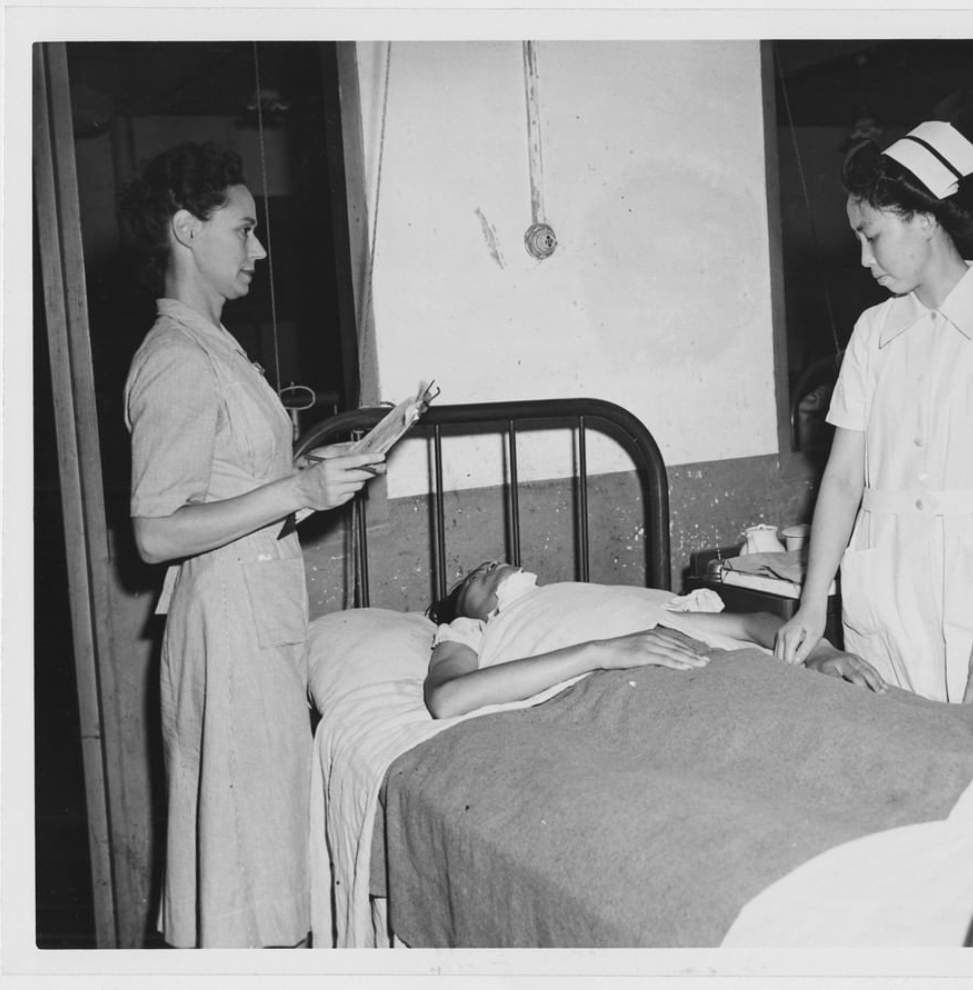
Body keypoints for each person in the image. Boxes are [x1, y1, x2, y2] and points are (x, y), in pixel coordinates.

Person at [120, 142, 385, 948]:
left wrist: (310, 477)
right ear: (185, 231)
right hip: (226, 634)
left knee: (256, 861)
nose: (259, 250)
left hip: (253, 623)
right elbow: (155, 531)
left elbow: (229, 493)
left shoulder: (217, 348)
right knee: (241, 872)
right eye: (244, 229)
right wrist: (297, 491)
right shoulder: (175, 360)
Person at [774, 121, 973, 714]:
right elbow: (842, 478)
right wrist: (814, 603)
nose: (864, 259)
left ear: (924, 217)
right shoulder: (873, 332)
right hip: (886, 586)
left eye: (872, 236)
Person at [423, 561, 886, 719]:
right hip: (618, 693)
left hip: (709, 666)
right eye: (472, 578)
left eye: (492, 563)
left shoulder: (584, 596)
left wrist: (820, 652)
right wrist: (602, 651)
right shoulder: (474, 630)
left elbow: (750, 625)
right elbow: (448, 698)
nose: (489, 565)